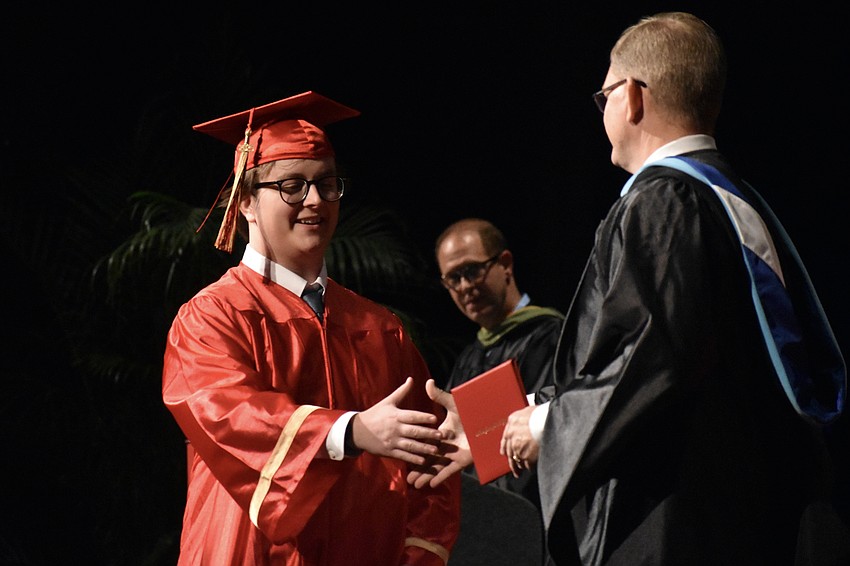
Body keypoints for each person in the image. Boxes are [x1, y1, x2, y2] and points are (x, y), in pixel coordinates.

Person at [411, 12, 848, 565]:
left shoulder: (664, 203)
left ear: (634, 97)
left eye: (605, 94)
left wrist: (542, 423)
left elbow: (652, 359)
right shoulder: (733, 200)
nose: (604, 110)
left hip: (682, 521)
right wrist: (485, 429)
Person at [162, 91, 461, 565]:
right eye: (292, 186)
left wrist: (416, 555)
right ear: (245, 203)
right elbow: (230, 416)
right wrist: (350, 430)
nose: (315, 200)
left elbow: (432, 468)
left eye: (326, 183)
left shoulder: (379, 327)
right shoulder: (212, 318)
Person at [436, 218, 563, 565]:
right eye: (452, 279)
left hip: (538, 526)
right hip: (482, 532)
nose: (464, 286)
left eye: (472, 271)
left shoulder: (550, 338)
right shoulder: (468, 358)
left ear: (505, 264)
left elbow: (559, 423)